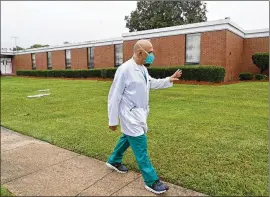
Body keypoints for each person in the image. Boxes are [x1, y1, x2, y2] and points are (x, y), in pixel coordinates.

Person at [106, 39, 182, 194]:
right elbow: (114, 96)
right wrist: (113, 120)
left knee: (128, 138)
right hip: (130, 115)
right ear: (140, 52)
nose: (152, 55)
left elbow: (150, 83)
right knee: (140, 145)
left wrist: (168, 79)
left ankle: (114, 160)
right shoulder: (124, 69)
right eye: (150, 52)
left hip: (139, 114)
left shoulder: (142, 68)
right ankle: (151, 180)